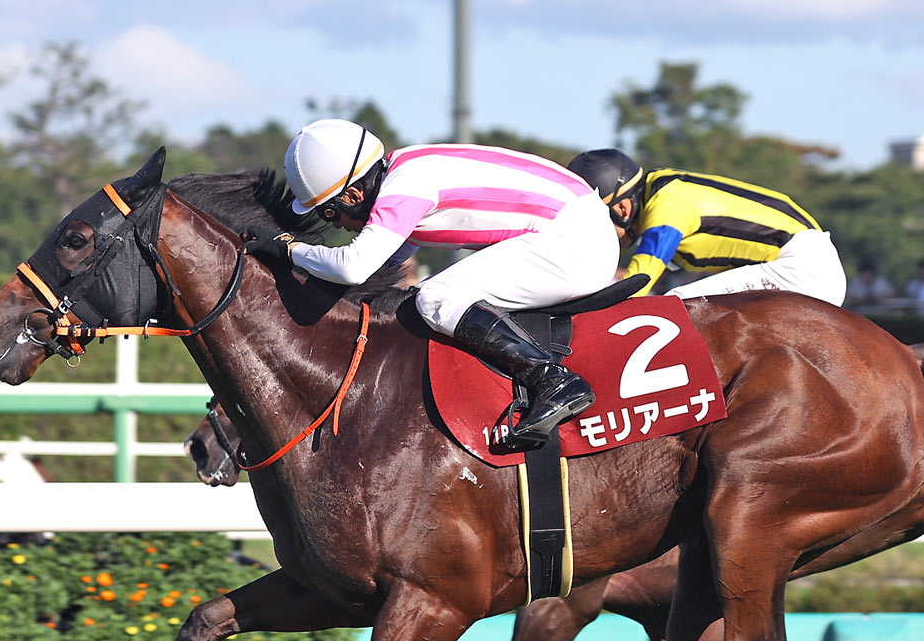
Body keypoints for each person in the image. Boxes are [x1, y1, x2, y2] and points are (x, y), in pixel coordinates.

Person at [255, 119, 614, 451]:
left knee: (436, 297)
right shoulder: (404, 168)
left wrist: (289, 249)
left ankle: (553, 380)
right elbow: (386, 263)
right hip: (576, 226)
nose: (342, 227)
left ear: (351, 195)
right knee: (425, 297)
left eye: (329, 214)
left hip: (576, 242)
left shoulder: (404, 187)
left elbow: (354, 268)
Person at [564, 149, 847, 306]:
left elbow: (640, 282)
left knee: (678, 307)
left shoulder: (667, 205)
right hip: (807, 259)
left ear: (622, 208)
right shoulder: (662, 190)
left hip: (802, 268)